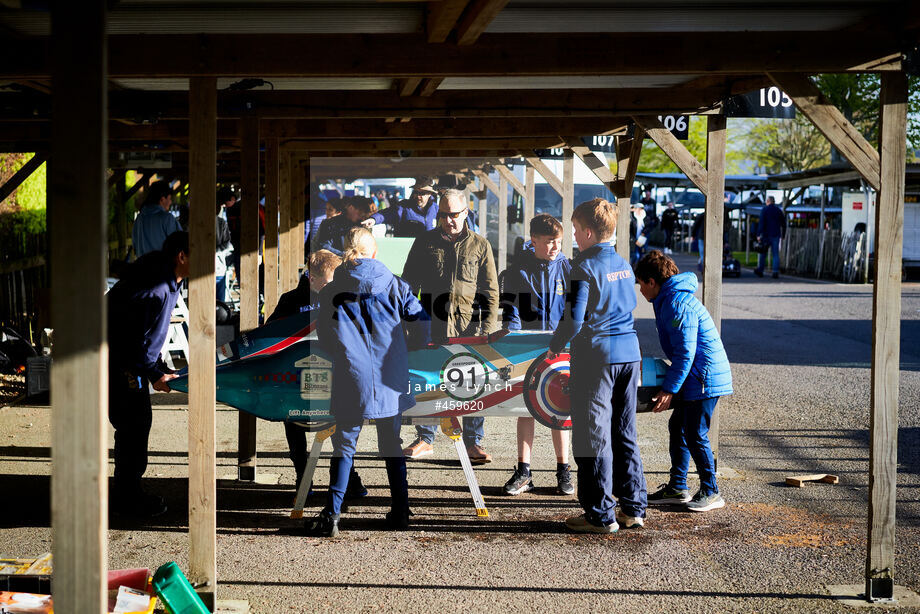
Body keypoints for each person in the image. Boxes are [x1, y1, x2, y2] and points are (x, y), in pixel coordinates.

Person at [305, 227, 428, 537]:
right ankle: (401, 511)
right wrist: (405, 348)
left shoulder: (333, 291)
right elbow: (422, 325)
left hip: (350, 377)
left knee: (344, 448)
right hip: (391, 377)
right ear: (374, 253)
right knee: (391, 445)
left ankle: (332, 515)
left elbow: (326, 336)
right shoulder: (397, 285)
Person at [546, 198, 646, 533]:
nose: (574, 236)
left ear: (588, 232)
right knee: (624, 431)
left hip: (596, 357)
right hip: (630, 355)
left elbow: (573, 321)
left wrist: (554, 347)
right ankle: (633, 508)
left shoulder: (582, 267)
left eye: (575, 230)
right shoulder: (622, 262)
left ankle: (600, 514)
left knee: (593, 435)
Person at [400, 188, 499, 465]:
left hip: (469, 329)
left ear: (466, 213)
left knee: (472, 383)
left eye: (454, 215)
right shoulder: (425, 242)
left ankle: (473, 442)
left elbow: (490, 291)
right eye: (443, 215)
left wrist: (486, 330)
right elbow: (409, 285)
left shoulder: (480, 245)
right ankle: (425, 438)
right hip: (431, 324)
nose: (448, 220)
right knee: (426, 382)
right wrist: (411, 323)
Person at [635, 250, 733, 512]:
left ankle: (712, 491)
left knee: (694, 432)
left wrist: (669, 389)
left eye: (641, 284)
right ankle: (678, 487)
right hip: (697, 375)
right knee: (678, 426)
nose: (640, 290)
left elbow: (685, 352)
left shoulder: (677, 303)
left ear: (652, 282)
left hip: (704, 377)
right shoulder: (670, 299)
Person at [267, 249, 368, 497]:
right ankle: (303, 478)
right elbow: (269, 333)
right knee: (294, 425)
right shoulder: (290, 300)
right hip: (298, 378)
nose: (332, 288)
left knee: (340, 428)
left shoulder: (340, 296)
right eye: (327, 283)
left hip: (333, 377)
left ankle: (348, 479)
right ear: (312, 279)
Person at [107, 230, 189, 518]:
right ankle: (126, 501)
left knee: (136, 426)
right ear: (182, 256)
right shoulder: (153, 288)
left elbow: (149, 335)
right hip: (120, 363)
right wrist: (154, 373)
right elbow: (129, 339)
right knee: (133, 427)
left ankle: (128, 494)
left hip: (131, 362)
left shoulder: (169, 280)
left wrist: (161, 367)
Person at [500, 214, 575, 496]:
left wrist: (568, 337)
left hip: (561, 349)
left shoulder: (569, 268)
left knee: (560, 410)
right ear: (533, 240)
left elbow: (577, 309)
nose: (555, 247)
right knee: (526, 408)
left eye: (558, 241)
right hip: (528, 349)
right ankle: (523, 471)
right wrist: (512, 334)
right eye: (549, 242)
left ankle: (563, 470)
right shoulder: (518, 269)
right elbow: (511, 309)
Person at [362, 177, 439, 238]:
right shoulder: (404, 207)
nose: (418, 196)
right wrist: (374, 219)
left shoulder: (437, 209)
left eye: (422, 193)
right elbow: (386, 214)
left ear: (430, 194)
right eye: (416, 192)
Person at [132, 180, 181, 258]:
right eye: (169, 198)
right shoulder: (167, 218)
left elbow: (135, 246)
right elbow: (179, 244)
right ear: (162, 199)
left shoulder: (139, 219)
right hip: (162, 268)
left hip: (142, 267)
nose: (171, 202)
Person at [754, 196, 787, 279]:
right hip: (776, 234)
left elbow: (761, 223)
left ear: (768, 201)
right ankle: (775, 271)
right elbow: (784, 223)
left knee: (763, 253)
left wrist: (758, 234)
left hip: (766, 235)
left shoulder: (765, 210)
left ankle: (760, 270)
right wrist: (783, 235)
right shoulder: (778, 211)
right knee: (775, 254)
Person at [215, 187, 235, 303]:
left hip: (198, 267)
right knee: (220, 303)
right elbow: (227, 244)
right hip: (218, 267)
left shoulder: (193, 223)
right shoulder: (221, 223)